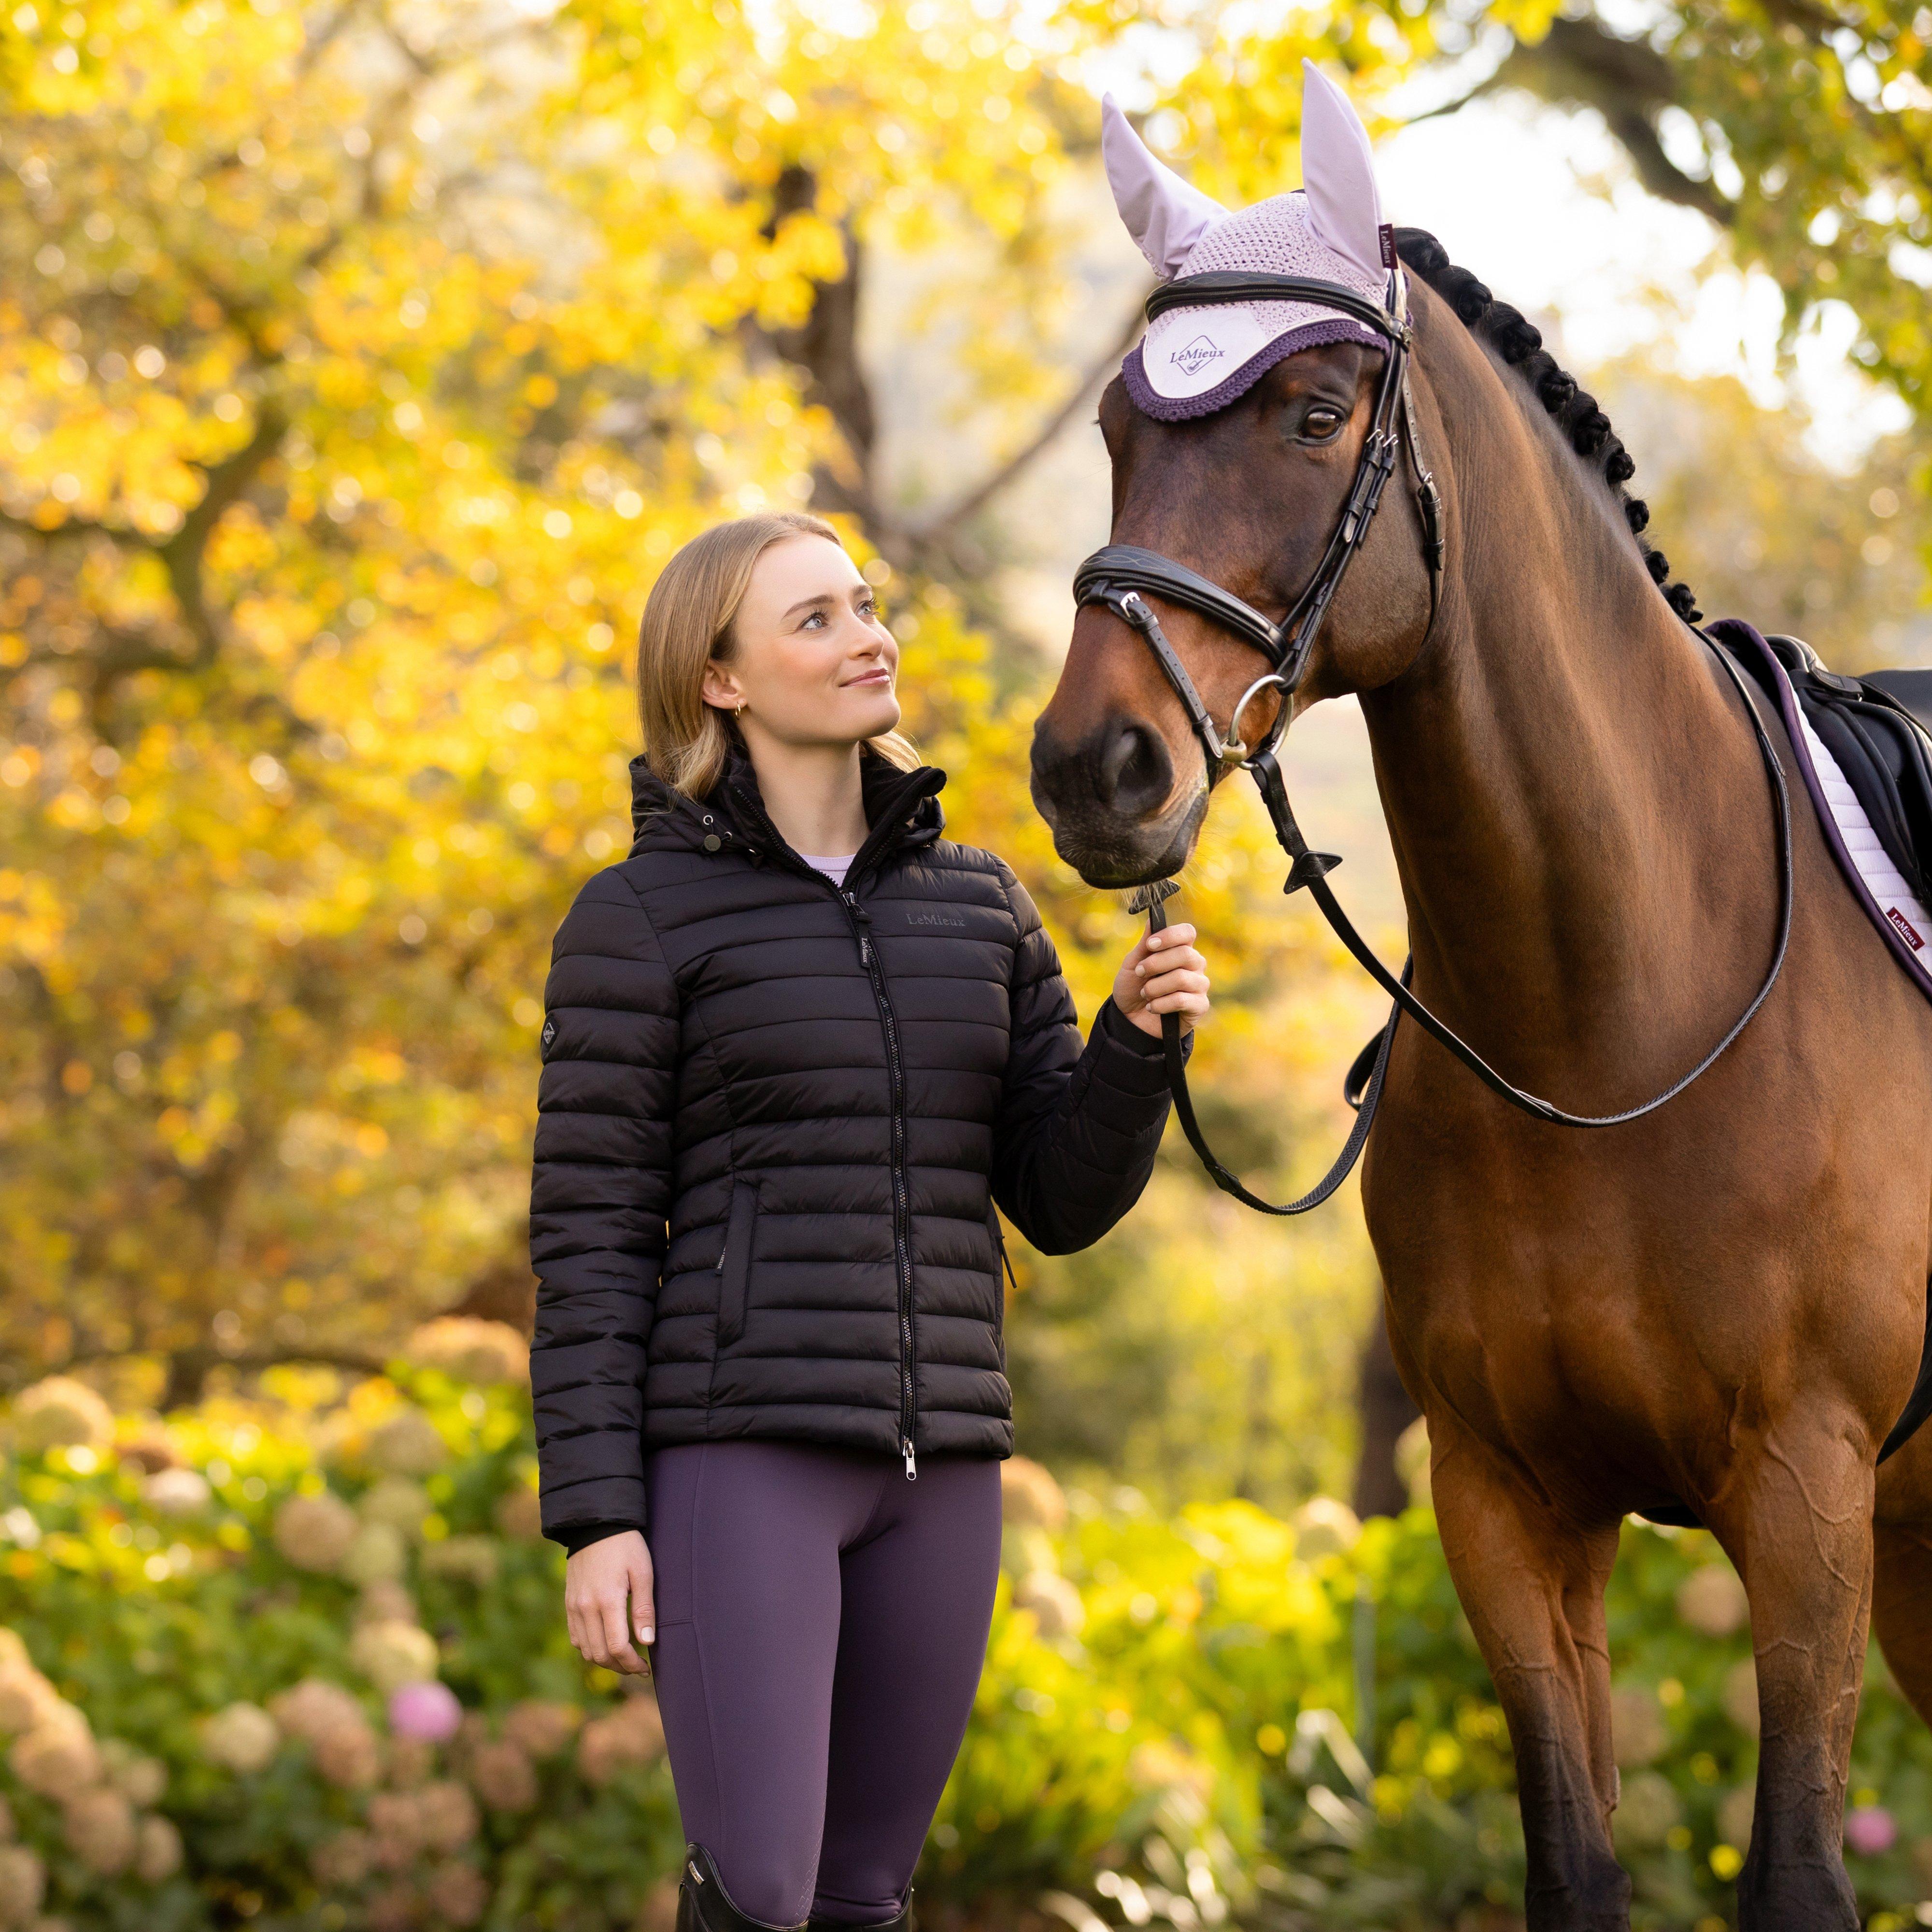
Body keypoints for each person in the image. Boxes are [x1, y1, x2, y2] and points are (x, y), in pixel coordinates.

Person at [527, 511, 1210, 1932]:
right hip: (741, 1457)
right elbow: (590, 1237)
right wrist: (599, 1514)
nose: (868, 637)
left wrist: (1136, 1047)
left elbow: (1058, 1197)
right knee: (765, 1889)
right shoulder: (641, 919)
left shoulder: (982, 905)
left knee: (864, 1895)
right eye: (816, 620)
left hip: (944, 1465)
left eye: (865, 605)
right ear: (720, 678)